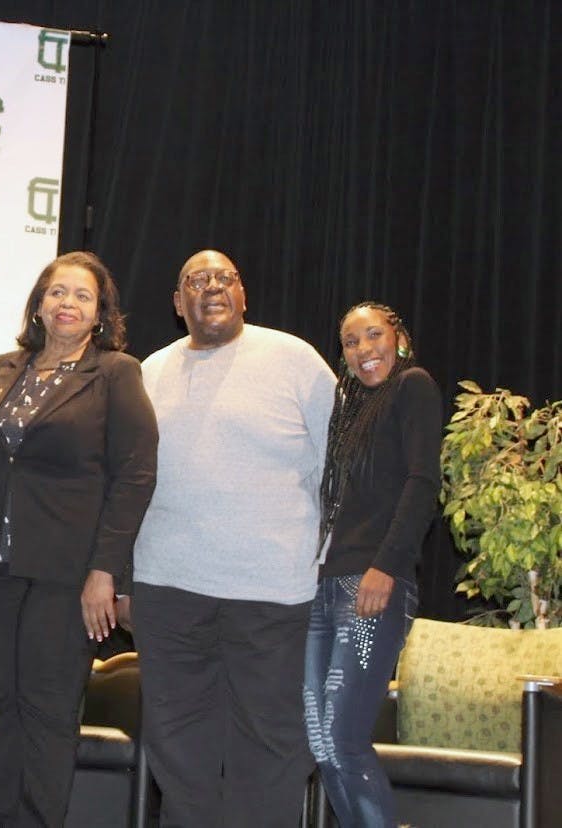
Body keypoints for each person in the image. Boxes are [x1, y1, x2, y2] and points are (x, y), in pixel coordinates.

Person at [0, 251, 158, 827]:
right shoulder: (5, 367)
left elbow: (136, 475)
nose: (68, 304)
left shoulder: (115, 372)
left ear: (99, 313)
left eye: (82, 296)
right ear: (39, 303)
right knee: (6, 707)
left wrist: (105, 571)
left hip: (68, 574)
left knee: (47, 712)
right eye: (57, 292)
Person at [131, 249, 336, 827]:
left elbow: (340, 471)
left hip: (275, 594)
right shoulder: (149, 372)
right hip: (167, 592)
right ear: (178, 303)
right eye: (196, 280)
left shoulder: (295, 360)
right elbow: (128, 483)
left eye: (225, 278)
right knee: (177, 747)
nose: (212, 288)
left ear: (244, 294)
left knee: (273, 747)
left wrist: (326, 565)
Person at [303, 302, 440, 826]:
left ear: (399, 338)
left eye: (374, 335)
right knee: (321, 742)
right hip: (323, 586)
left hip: (372, 583)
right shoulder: (351, 412)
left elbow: (422, 481)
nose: (364, 350)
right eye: (352, 342)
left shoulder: (414, 387)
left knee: (343, 737)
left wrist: (386, 565)